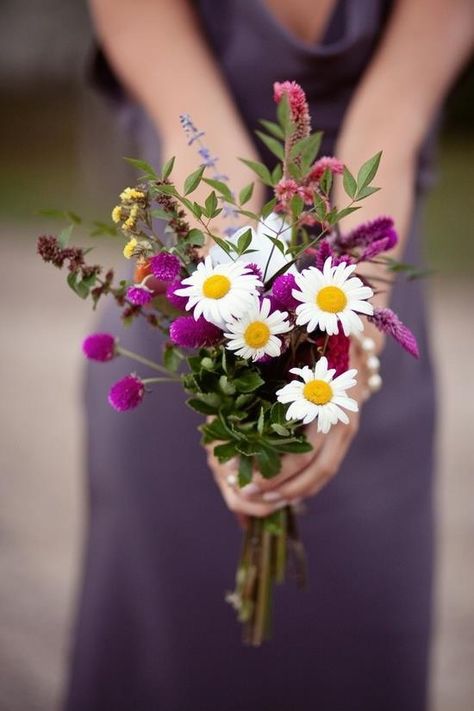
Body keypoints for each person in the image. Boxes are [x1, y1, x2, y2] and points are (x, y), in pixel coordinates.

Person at [65, 1, 473, 709]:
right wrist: (245, 340)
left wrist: (346, 351)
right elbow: (204, 149)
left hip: (360, 313)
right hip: (197, 312)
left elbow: (388, 138)